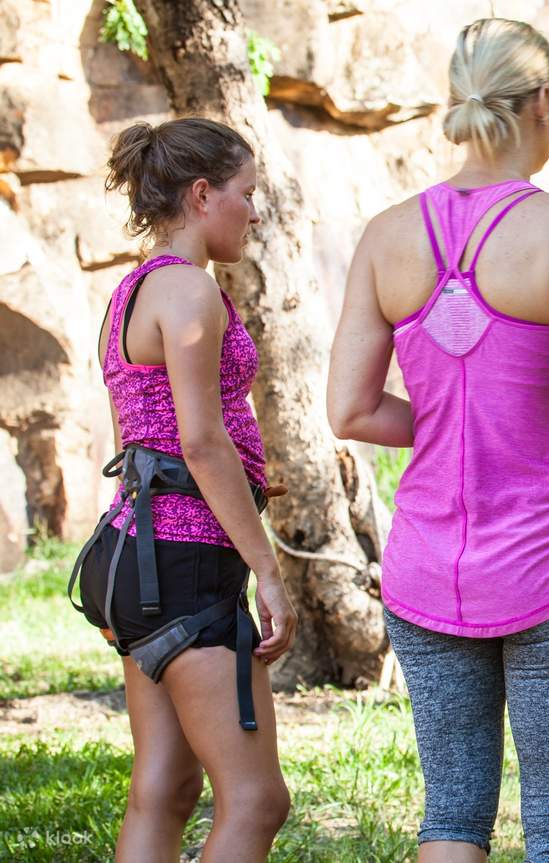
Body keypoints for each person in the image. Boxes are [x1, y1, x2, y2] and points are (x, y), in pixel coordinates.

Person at [326, 18, 549, 863]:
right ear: (543, 102)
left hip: (426, 569)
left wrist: (445, 421)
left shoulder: (387, 235)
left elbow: (350, 411)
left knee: (453, 813)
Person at [72, 117, 297, 861]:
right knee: (258, 800)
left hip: (133, 557)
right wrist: (267, 568)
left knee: (164, 788)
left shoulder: (126, 297)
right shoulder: (191, 294)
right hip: (186, 558)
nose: (254, 211)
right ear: (203, 195)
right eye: (246, 193)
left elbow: (137, 440)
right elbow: (200, 442)